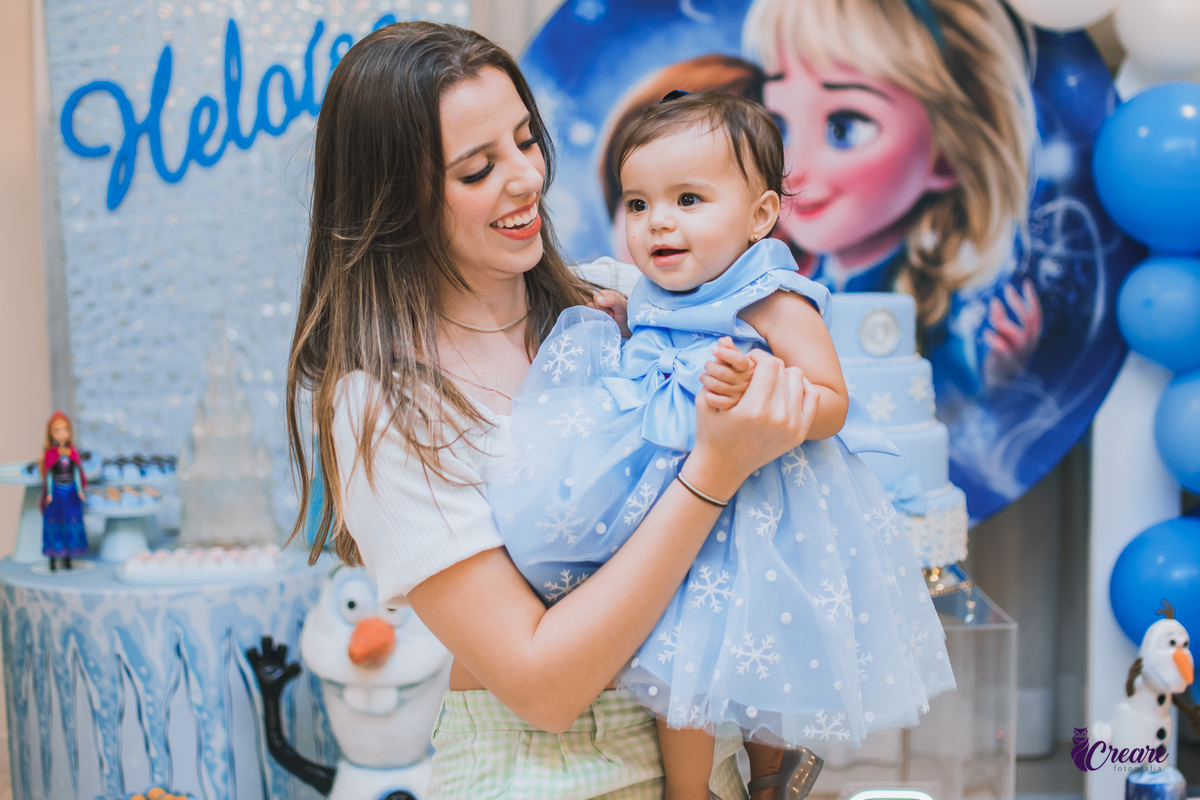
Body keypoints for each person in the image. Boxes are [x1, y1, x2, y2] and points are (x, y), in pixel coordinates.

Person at [285, 21, 816, 799]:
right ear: (395, 201)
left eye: (526, 141)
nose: (527, 178)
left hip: (708, 760)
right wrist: (713, 470)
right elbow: (544, 687)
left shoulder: (626, 298)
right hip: (534, 773)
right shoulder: (382, 407)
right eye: (477, 170)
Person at [489, 91, 955, 800]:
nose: (658, 223)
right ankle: (689, 790)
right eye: (638, 204)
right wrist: (620, 323)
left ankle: (771, 779)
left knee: (763, 648)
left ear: (760, 215)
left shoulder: (769, 295)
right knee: (684, 661)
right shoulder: (647, 291)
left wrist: (768, 386)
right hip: (675, 514)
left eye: (688, 198)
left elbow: (832, 403)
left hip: (763, 509)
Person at [742, 0, 1041, 392]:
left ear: (947, 155)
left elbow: (953, 412)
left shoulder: (931, 311)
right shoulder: (795, 281)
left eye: (843, 128)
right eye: (778, 126)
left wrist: (1004, 380)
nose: (790, 167)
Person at [40, 411, 87, 571]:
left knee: (70, 522)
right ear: (50, 433)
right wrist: (49, 493)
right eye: (57, 430)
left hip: (70, 491)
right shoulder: (50, 454)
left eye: (65, 429)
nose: (61, 434)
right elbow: (48, 476)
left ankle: (68, 558)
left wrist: (80, 490)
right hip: (57, 493)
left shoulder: (72, 453)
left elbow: (76, 473)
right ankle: (53, 559)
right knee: (55, 522)